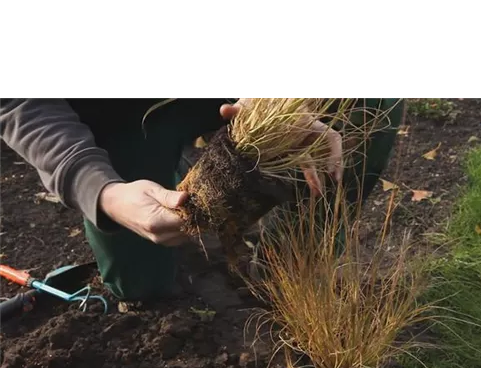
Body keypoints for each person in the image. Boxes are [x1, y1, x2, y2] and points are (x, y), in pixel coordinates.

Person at [0, 93, 404, 300]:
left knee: (367, 100)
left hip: (227, 99)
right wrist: (102, 190)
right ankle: (175, 176)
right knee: (140, 284)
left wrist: (275, 102)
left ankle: (289, 264)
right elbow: (19, 100)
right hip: (116, 116)